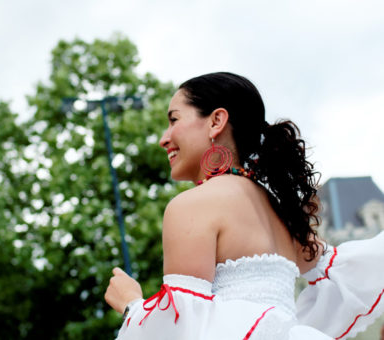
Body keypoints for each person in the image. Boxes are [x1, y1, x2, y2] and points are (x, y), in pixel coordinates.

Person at [104, 72, 384, 339]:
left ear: (216, 121)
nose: (163, 138)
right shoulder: (281, 211)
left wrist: (131, 304)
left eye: (174, 120)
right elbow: (347, 273)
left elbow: (185, 328)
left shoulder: (193, 205)